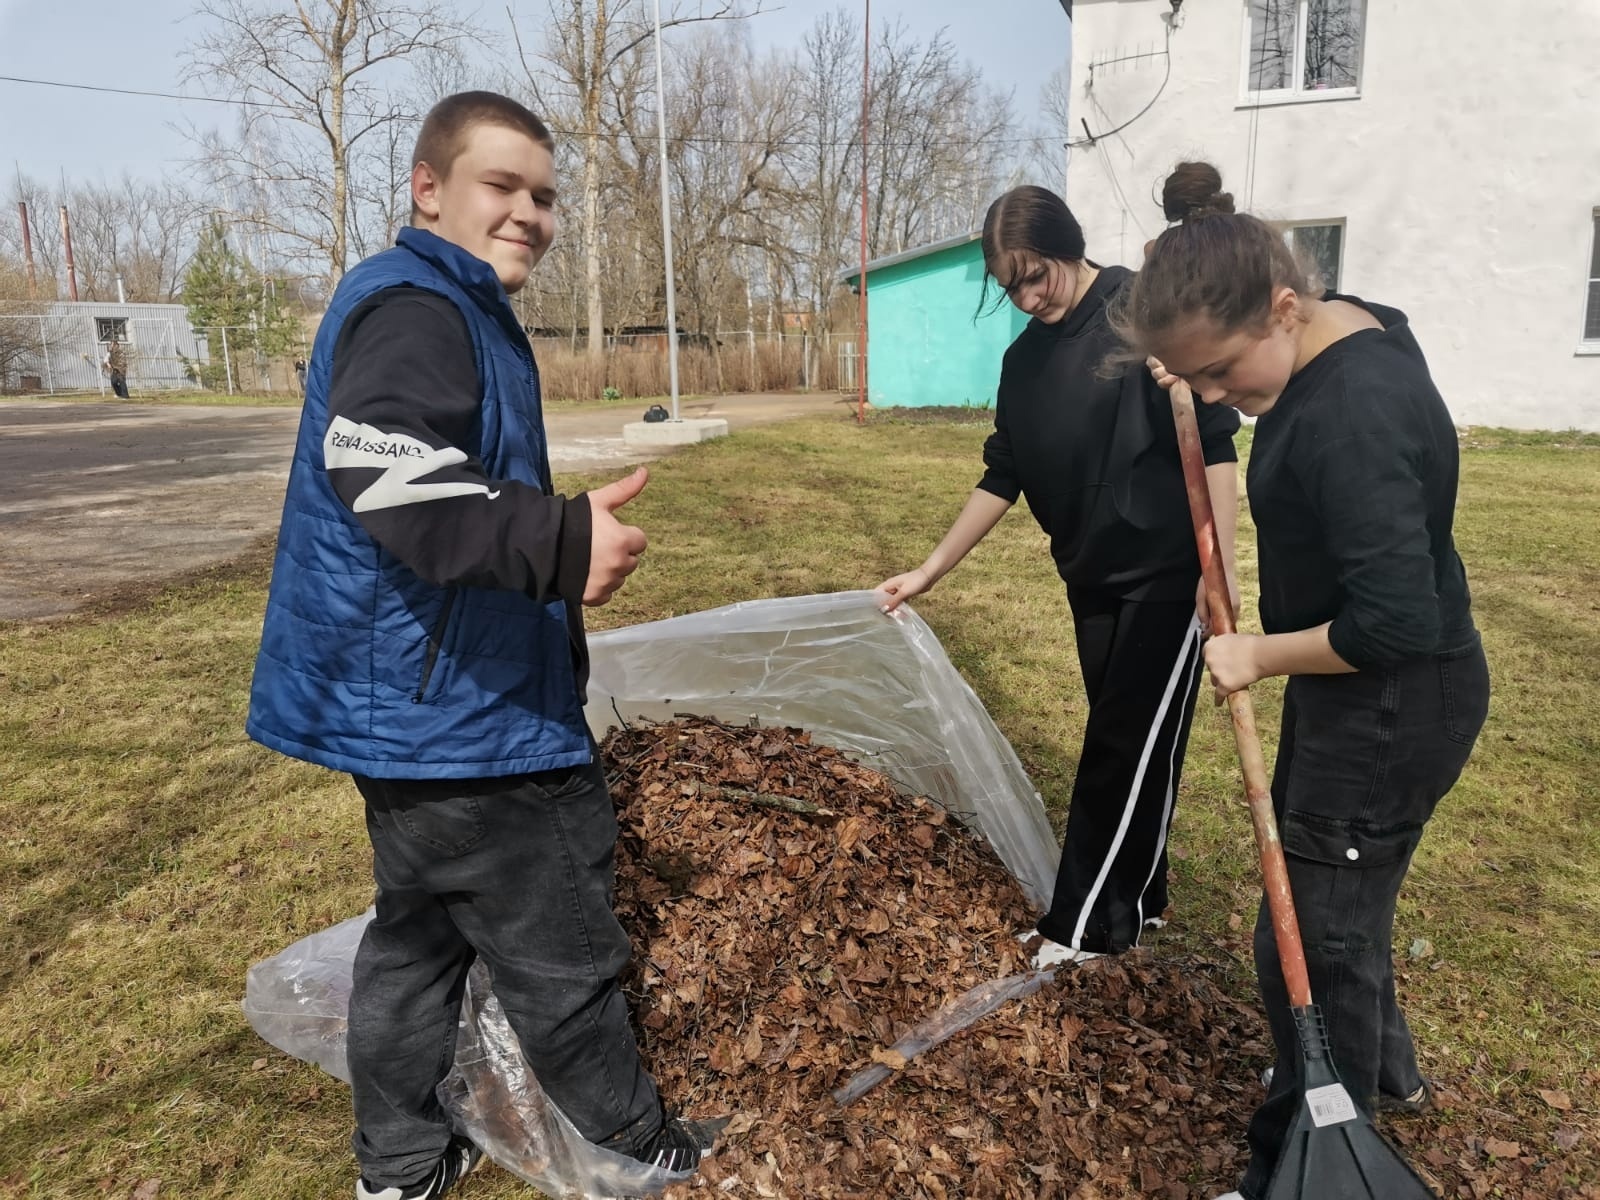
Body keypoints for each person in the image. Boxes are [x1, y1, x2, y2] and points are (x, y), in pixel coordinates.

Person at [246, 91, 723, 1200]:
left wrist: (542, 519)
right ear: (429, 188)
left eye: (544, 197)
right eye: (501, 187)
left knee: (416, 941)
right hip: (467, 720)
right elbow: (378, 468)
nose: (529, 214)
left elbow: (430, 475)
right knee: (560, 948)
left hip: (405, 717)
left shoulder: (437, 299)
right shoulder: (420, 308)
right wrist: (557, 539)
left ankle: (399, 1164)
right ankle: (639, 1147)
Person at [1123, 162, 1489, 1200]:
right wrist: (1194, 361)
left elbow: (1392, 621)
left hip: (1386, 698)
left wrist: (1255, 652)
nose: (1213, 398)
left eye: (1223, 373)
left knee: (1311, 939)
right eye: (1197, 381)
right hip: (1374, 690)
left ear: (1284, 308)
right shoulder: (1350, 327)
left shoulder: (1351, 415)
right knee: (1347, 901)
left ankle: (1307, 1154)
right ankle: (1389, 1075)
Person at [874, 185, 1242, 968]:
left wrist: (1223, 570)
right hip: (1092, 577)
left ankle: (1080, 928)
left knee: (1120, 748)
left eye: (1036, 273)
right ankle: (1141, 898)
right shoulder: (1024, 361)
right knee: (1138, 746)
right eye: (1010, 285)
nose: (1027, 296)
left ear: (1067, 243)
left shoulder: (1143, 311)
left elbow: (1215, 442)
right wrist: (930, 570)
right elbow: (1002, 474)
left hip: (1168, 575)